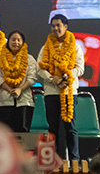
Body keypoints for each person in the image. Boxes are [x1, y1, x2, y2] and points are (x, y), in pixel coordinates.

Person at [36, 15, 84, 160]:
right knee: (52, 129)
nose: (55, 28)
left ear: (65, 27)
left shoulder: (75, 46)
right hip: (51, 92)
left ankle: (75, 161)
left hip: (69, 91)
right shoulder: (46, 47)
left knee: (71, 128)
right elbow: (39, 68)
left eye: (58, 25)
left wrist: (63, 77)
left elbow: (80, 69)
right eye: (53, 26)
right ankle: (52, 160)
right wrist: (53, 79)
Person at [0, 30, 38, 133]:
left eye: (18, 40)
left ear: (23, 42)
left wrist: (20, 89)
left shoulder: (30, 59)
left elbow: (32, 78)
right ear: (8, 42)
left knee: (23, 133)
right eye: (13, 39)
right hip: (4, 102)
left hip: (25, 101)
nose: (16, 42)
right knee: (5, 135)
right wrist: (10, 89)